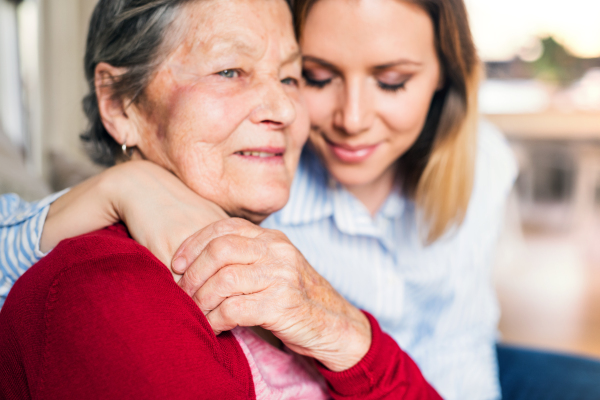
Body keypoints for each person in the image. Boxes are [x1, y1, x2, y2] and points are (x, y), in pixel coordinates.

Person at [4, 0, 600, 399]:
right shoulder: (128, 268)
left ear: (445, 81)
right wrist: (122, 186)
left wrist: (344, 331)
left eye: (290, 78)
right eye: (232, 70)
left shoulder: (479, 157)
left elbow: (458, 334)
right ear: (119, 104)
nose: (297, 113)